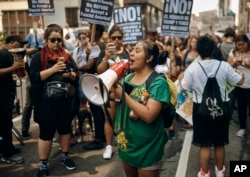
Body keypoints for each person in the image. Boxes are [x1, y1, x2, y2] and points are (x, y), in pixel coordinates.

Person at [178, 35, 245, 177]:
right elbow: (239, 81)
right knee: (219, 143)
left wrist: (180, 78)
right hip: (222, 107)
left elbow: (184, 86)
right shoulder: (224, 66)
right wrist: (240, 74)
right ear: (214, 49)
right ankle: (220, 171)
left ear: (199, 50)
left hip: (200, 109)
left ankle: (205, 172)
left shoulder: (193, 67)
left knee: (204, 144)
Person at [109, 40, 169, 177]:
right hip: (127, 145)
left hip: (148, 148)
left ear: (149, 58)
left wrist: (122, 95)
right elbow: (115, 112)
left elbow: (149, 116)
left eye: (137, 51)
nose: (131, 54)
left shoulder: (158, 82)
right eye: (132, 50)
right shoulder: (128, 78)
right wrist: (111, 94)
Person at [29, 23, 79, 177]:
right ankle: (43, 164)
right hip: (46, 103)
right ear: (46, 39)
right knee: (46, 133)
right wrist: (53, 69)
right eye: (53, 40)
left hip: (64, 101)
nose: (57, 43)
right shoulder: (39, 57)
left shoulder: (67, 56)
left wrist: (71, 75)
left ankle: (65, 156)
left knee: (65, 130)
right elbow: (34, 78)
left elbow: (76, 74)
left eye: (59, 40)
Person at [96, 25, 130, 160]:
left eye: (119, 37)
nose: (116, 40)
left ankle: (125, 142)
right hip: (109, 91)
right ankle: (109, 146)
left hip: (125, 90)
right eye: (113, 37)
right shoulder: (104, 52)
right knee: (109, 119)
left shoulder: (127, 52)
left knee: (126, 118)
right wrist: (106, 57)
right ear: (109, 38)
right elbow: (99, 71)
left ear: (123, 39)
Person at [0, 35, 27, 163]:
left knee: (7, 123)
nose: (21, 46)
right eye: (19, 43)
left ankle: (8, 148)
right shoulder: (3, 54)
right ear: (12, 43)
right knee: (4, 125)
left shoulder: (8, 54)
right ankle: (6, 153)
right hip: (2, 95)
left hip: (6, 94)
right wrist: (13, 68)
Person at [81, 23, 107, 150]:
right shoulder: (95, 46)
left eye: (92, 28)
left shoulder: (99, 46)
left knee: (97, 110)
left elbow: (89, 66)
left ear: (98, 32)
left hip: (96, 82)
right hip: (94, 81)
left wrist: (75, 67)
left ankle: (99, 139)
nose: (89, 31)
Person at [21, 27, 44, 139]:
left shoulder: (50, 38)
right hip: (31, 74)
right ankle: (24, 129)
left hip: (44, 74)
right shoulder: (32, 36)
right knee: (29, 103)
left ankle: (45, 128)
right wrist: (36, 48)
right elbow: (24, 51)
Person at [227, 33, 250, 138]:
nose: (240, 47)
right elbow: (227, 66)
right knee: (241, 106)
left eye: (242, 44)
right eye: (238, 44)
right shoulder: (233, 52)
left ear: (247, 43)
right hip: (239, 84)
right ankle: (242, 127)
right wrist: (234, 64)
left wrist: (245, 64)